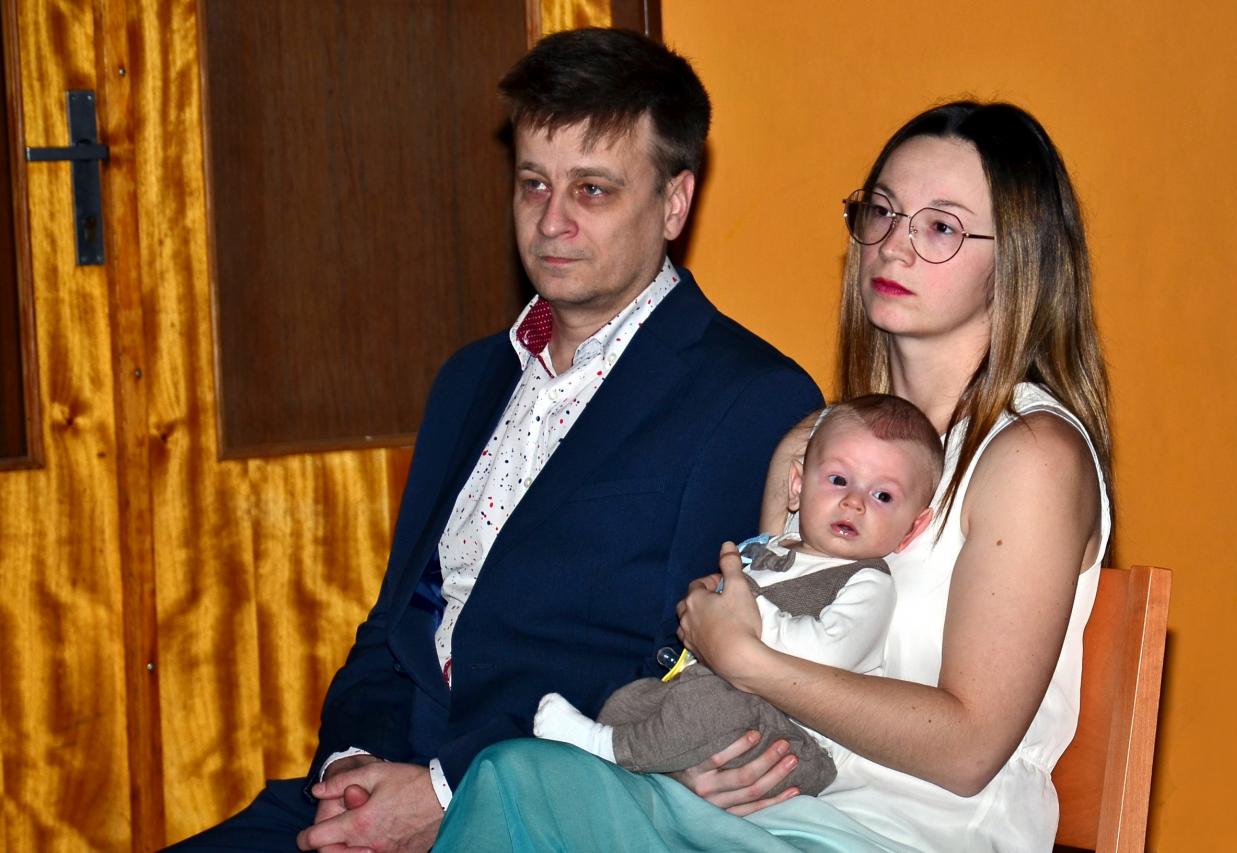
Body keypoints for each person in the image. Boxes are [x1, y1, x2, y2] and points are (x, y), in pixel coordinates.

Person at [167, 27, 822, 853]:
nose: (552, 221)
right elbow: (394, 627)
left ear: (674, 202)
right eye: (533, 184)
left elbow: (676, 664)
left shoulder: (753, 398)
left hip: (547, 803)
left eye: (592, 190)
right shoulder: (469, 378)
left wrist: (445, 791)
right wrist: (354, 765)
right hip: (371, 784)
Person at [431, 99, 1113, 853]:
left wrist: (749, 661)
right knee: (516, 775)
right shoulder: (812, 445)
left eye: (942, 227)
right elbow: (750, 668)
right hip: (778, 814)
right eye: (882, 212)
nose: (894, 246)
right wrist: (698, 764)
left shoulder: (1032, 454)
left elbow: (969, 749)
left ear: (1020, 258)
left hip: (920, 838)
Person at [533, 394, 941, 799]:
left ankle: (612, 750)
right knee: (635, 698)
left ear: (912, 528)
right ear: (797, 487)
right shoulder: (771, 549)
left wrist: (747, 610)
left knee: (713, 704)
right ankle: (616, 748)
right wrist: (712, 596)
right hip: (717, 695)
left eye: (883, 496)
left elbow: (828, 655)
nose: (854, 502)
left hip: (791, 738)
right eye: (838, 480)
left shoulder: (869, 582)